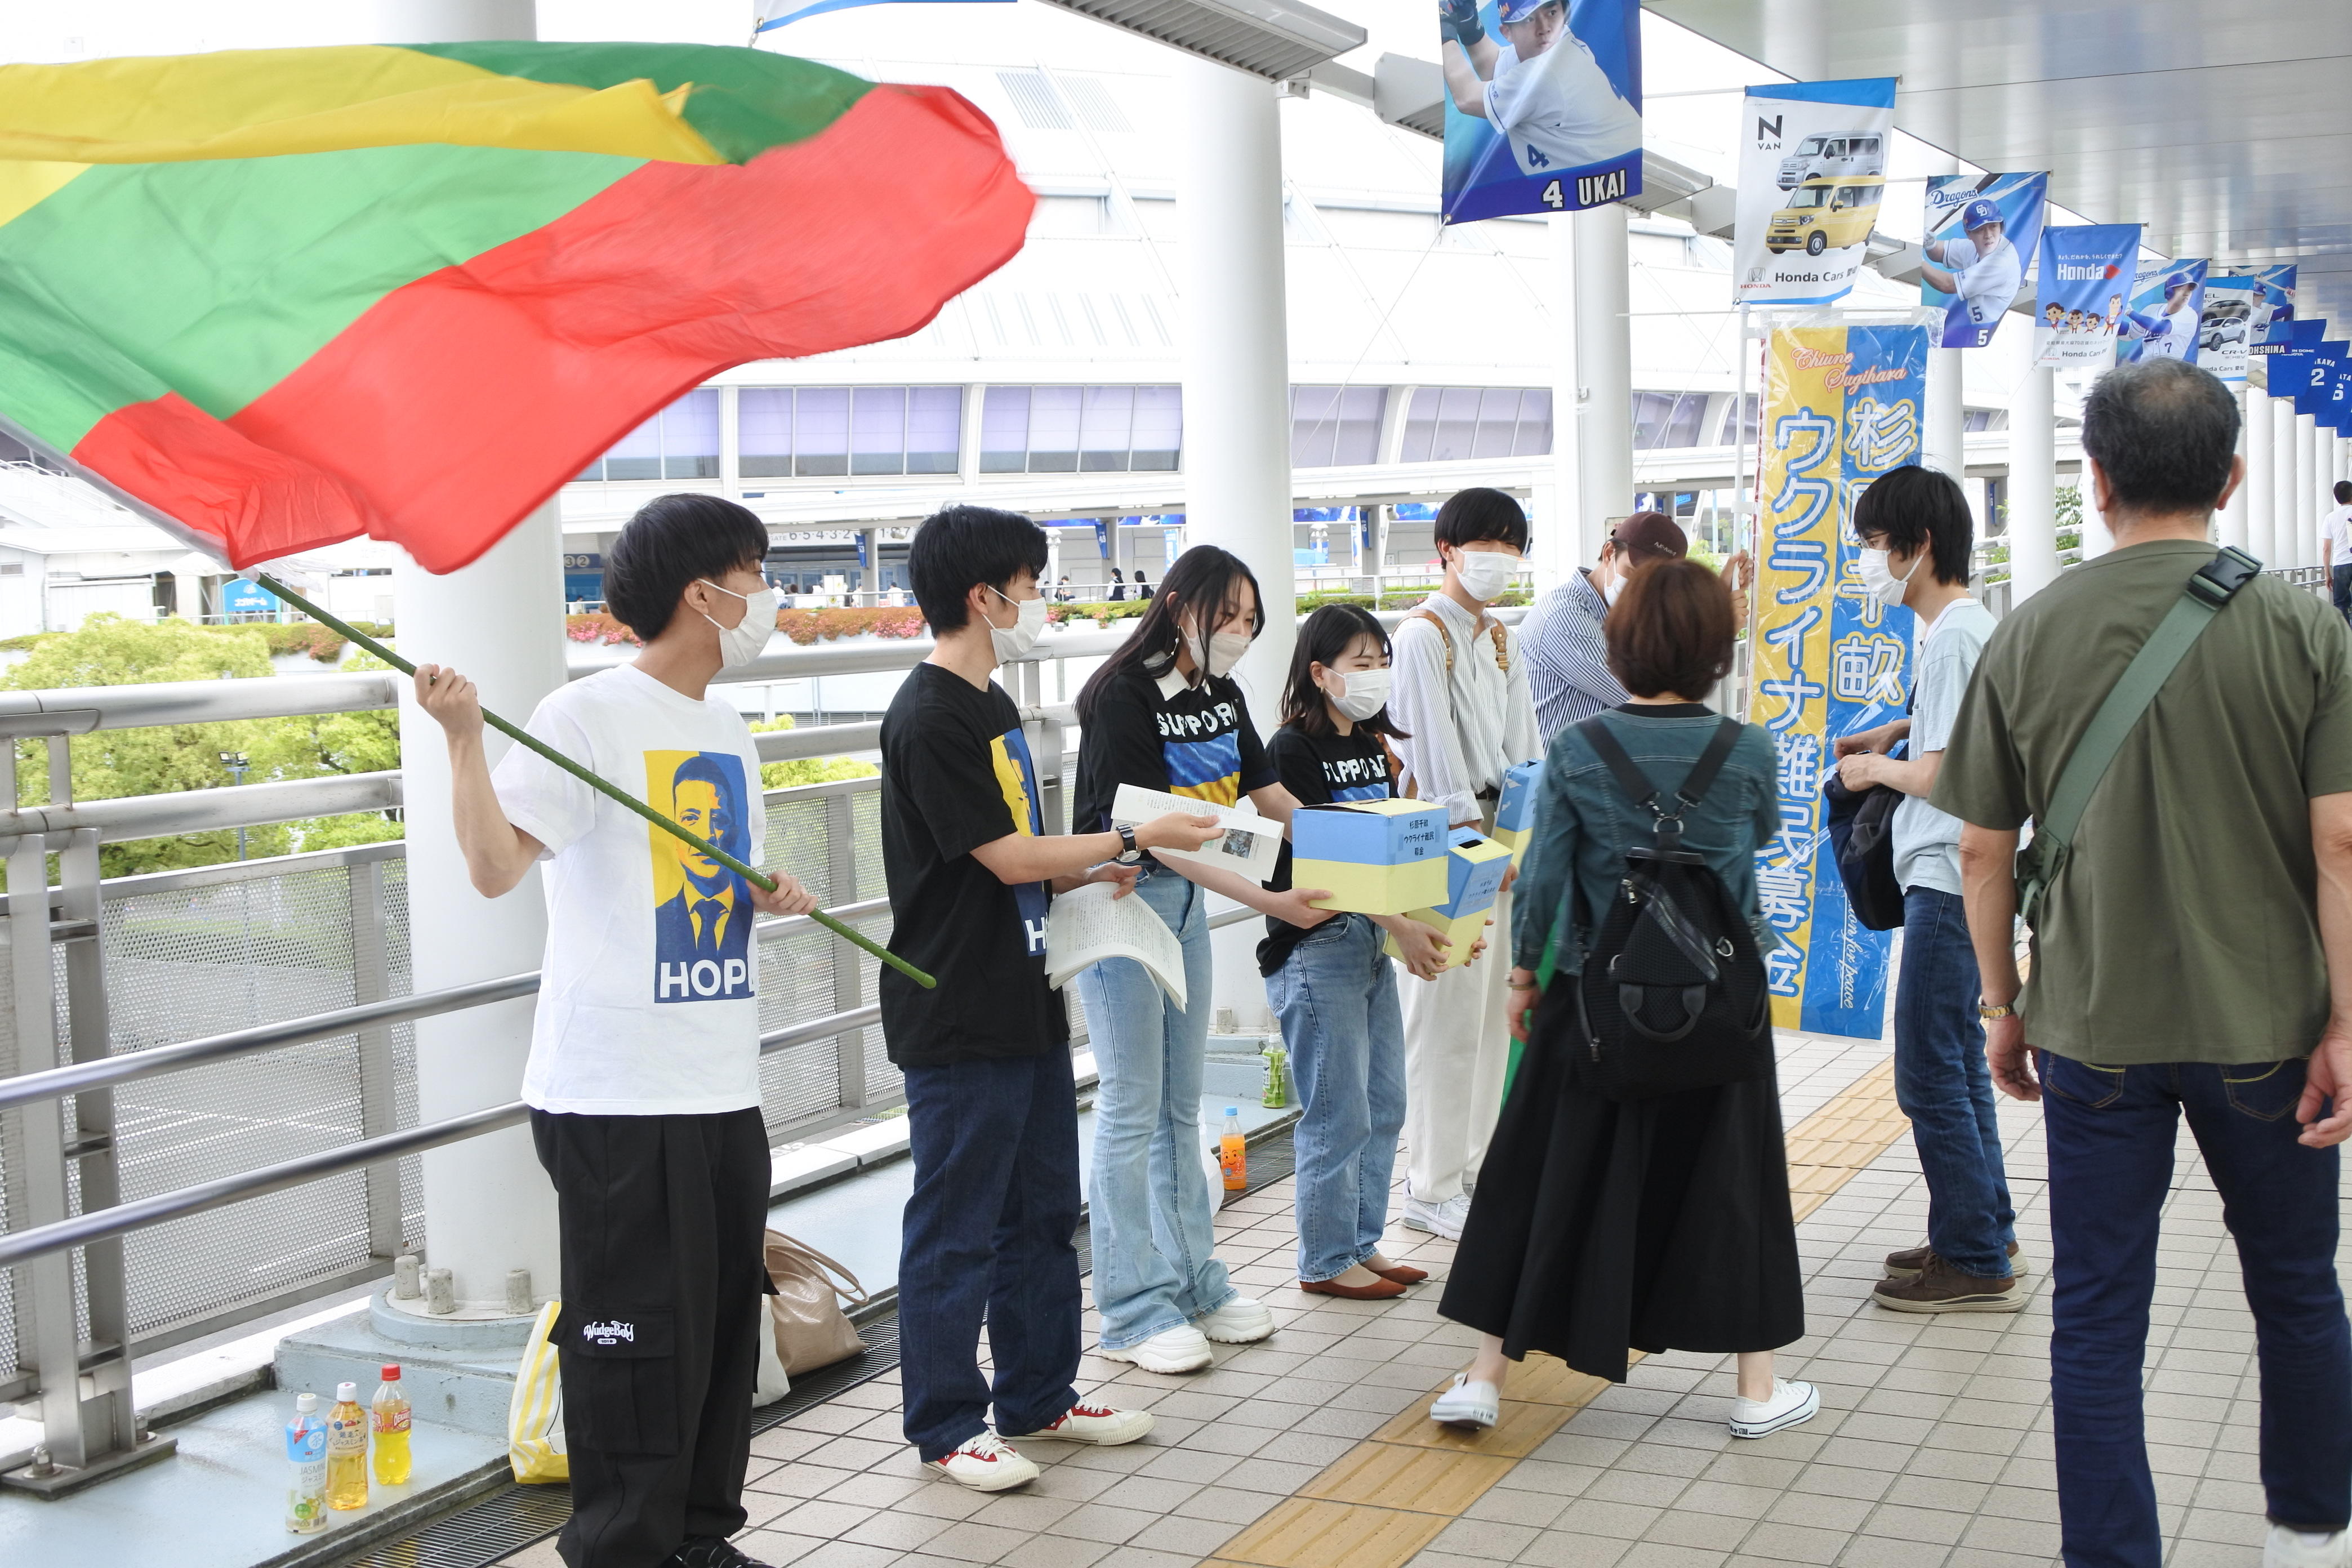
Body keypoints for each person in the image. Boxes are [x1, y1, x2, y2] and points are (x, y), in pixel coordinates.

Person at [1933, 358, 2352, 1568]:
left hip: (2094, 1029)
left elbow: (1978, 849)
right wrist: (2344, 1026)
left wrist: (2004, 1007)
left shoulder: (2031, 629)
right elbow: (2340, 839)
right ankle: (2309, 1541)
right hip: (2269, 1025)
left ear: (2097, 479)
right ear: (2227, 478)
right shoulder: (2304, 627)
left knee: (2100, 1319)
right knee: (2298, 1290)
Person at [412, 493, 822, 1568]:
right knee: (635, 1341)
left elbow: (685, 888)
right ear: (705, 590)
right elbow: (497, 866)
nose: (769, 596)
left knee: (726, 1327)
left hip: (718, 1078)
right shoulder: (583, 715)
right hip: (613, 1088)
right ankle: (620, 1550)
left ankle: (698, 1538)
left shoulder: (724, 726)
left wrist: (762, 892)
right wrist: (463, 738)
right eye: (758, 571)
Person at [877, 505, 1220, 1491]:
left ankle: (1038, 1393)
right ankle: (947, 1423)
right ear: (983, 596)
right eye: (1030, 581)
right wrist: (1133, 841)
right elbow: (1003, 852)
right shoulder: (932, 713)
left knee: (1038, 1210)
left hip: (1024, 992)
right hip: (955, 1008)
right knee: (955, 1222)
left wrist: (1079, 877)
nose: (1041, 598)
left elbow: (1023, 860)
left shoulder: (991, 706)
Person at [1433, 556, 1814, 1440]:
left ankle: (1485, 1378)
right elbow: (1755, 843)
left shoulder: (1578, 749)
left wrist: (1526, 980)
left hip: (1592, 998)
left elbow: (1543, 882)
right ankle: (1757, 1394)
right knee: (1739, 1181)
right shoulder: (1748, 749)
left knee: (1536, 1171)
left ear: (1620, 644)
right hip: (1723, 1001)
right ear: (1717, 652)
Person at [1069, 546, 1324, 1373]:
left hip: (1184, 904)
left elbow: (1268, 799)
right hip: (1120, 906)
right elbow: (1158, 838)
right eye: (1229, 617)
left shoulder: (1221, 692)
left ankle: (1196, 1285)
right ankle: (1133, 1309)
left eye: (1252, 621)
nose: (1241, 634)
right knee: (1132, 1107)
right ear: (1179, 605)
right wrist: (1272, 903)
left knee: (1183, 1108)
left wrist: (1353, 842)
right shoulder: (1121, 694)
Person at [1830, 465, 2020, 1311]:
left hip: (1947, 875)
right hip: (1953, 875)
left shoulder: (1948, 639)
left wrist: (1877, 765)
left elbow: (1947, 779)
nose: (1870, 561)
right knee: (1955, 1066)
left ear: (1921, 545)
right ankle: (1980, 1227)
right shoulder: (1972, 626)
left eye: (1876, 544)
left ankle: (1974, 1256)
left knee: (1927, 1075)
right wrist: (1902, 726)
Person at [1260, 605, 1458, 1300]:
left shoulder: (1372, 744)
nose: (1375, 676)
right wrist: (1398, 925)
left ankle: (1360, 1243)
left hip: (1370, 940)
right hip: (1318, 945)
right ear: (1320, 673)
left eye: (1382, 662)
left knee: (1384, 1102)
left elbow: (1394, 846)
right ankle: (1323, 1260)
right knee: (1337, 1109)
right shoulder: (1291, 751)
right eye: (1360, 664)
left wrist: (1438, 907)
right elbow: (1327, 861)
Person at [1387, 487, 1542, 1239]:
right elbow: (1431, 756)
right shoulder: (1421, 636)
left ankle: (1474, 1167)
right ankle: (1430, 1181)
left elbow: (1526, 752)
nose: (1500, 559)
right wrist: (1480, 846)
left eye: (1512, 546)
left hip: (1500, 832)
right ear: (1445, 550)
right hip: (1446, 839)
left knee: (1486, 1017)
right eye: (1486, 544)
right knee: (1443, 1015)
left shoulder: (1502, 637)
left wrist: (1519, 839)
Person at [1519, 511, 1689, 742]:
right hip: (1561, 773)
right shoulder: (1565, 617)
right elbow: (1653, 703)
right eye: (1634, 573)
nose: (1642, 589)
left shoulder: (1630, 615)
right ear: (1609, 553)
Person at [1437, 0, 1641, 180]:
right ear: (1507, 32)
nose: (1545, 28)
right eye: (1529, 19)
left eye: (1551, 12)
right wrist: (1469, 24)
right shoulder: (1550, 51)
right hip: (1617, 175)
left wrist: (1446, 31)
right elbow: (1496, 67)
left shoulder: (1549, 73)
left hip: (1627, 180)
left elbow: (1466, 98)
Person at [1921, 199, 2021, 342]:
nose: (1988, 235)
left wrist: (1920, 262)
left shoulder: (2002, 261)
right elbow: (1940, 253)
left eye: (1993, 226)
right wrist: (1930, 245)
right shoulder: (1977, 246)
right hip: (1978, 332)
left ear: (2001, 227)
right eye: (1980, 229)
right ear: (1969, 233)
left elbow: (1947, 285)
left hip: (1998, 336)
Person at [2123, 270, 2200, 360]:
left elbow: (2161, 328)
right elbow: (2129, 332)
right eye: (2182, 289)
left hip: (2171, 371)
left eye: (2189, 290)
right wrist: (2112, 318)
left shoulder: (2190, 315)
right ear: (2169, 293)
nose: (2187, 294)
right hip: (2145, 370)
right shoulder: (2151, 310)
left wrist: (2129, 312)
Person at [2323, 480, 2352, 626]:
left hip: (2340, 564)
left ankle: (2347, 638)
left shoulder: (2330, 518)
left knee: (2341, 604)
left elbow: (2326, 549)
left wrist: (2328, 573)